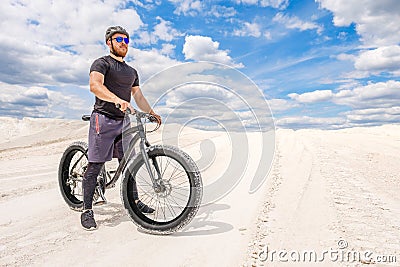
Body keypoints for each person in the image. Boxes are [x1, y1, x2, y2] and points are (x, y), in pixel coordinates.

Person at [81, 26, 161, 231]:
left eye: (126, 39)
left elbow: (138, 96)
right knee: (96, 165)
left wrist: (151, 112)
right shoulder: (102, 63)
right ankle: (87, 209)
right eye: (119, 39)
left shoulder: (131, 71)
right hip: (103, 118)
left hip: (123, 121)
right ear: (109, 42)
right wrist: (117, 100)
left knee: (130, 163)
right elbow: (95, 86)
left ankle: (134, 201)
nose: (124, 43)